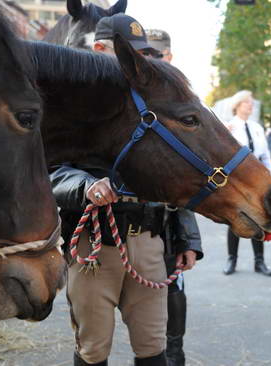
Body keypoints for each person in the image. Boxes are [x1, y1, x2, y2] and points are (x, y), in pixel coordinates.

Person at [51, 14, 197, 366]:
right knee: (92, 349)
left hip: (149, 243)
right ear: (98, 48)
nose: (138, 62)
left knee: (152, 346)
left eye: (142, 53)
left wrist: (188, 238)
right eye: (129, 54)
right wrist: (85, 186)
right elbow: (49, 172)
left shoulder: (153, 105)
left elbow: (180, 172)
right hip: (94, 246)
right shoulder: (70, 109)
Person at [146, 27, 204, 366]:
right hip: (111, 220)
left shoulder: (178, 99)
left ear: (168, 57)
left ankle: (175, 351)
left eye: (158, 54)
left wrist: (189, 240)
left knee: (172, 287)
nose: (152, 60)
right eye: (146, 54)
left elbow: (185, 176)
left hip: (161, 219)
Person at [223, 90, 271, 276]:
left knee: (259, 218)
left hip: (257, 182)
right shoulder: (228, 127)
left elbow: (265, 154)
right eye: (247, 103)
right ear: (237, 105)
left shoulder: (257, 127)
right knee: (234, 219)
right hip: (236, 181)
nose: (250, 106)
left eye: (251, 103)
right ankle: (232, 260)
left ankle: (259, 262)